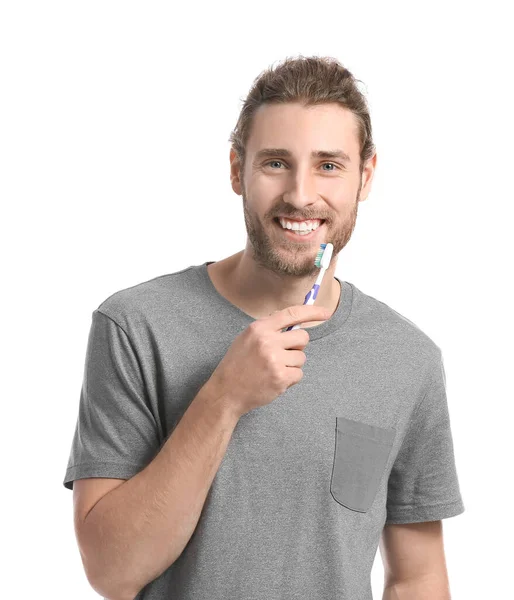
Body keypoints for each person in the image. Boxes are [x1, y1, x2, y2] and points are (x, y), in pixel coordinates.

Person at [63, 55, 465, 600]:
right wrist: (224, 397)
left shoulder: (406, 359)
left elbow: (418, 578)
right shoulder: (136, 326)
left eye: (329, 165)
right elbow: (111, 572)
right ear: (237, 169)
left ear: (365, 176)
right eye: (276, 163)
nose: (301, 195)